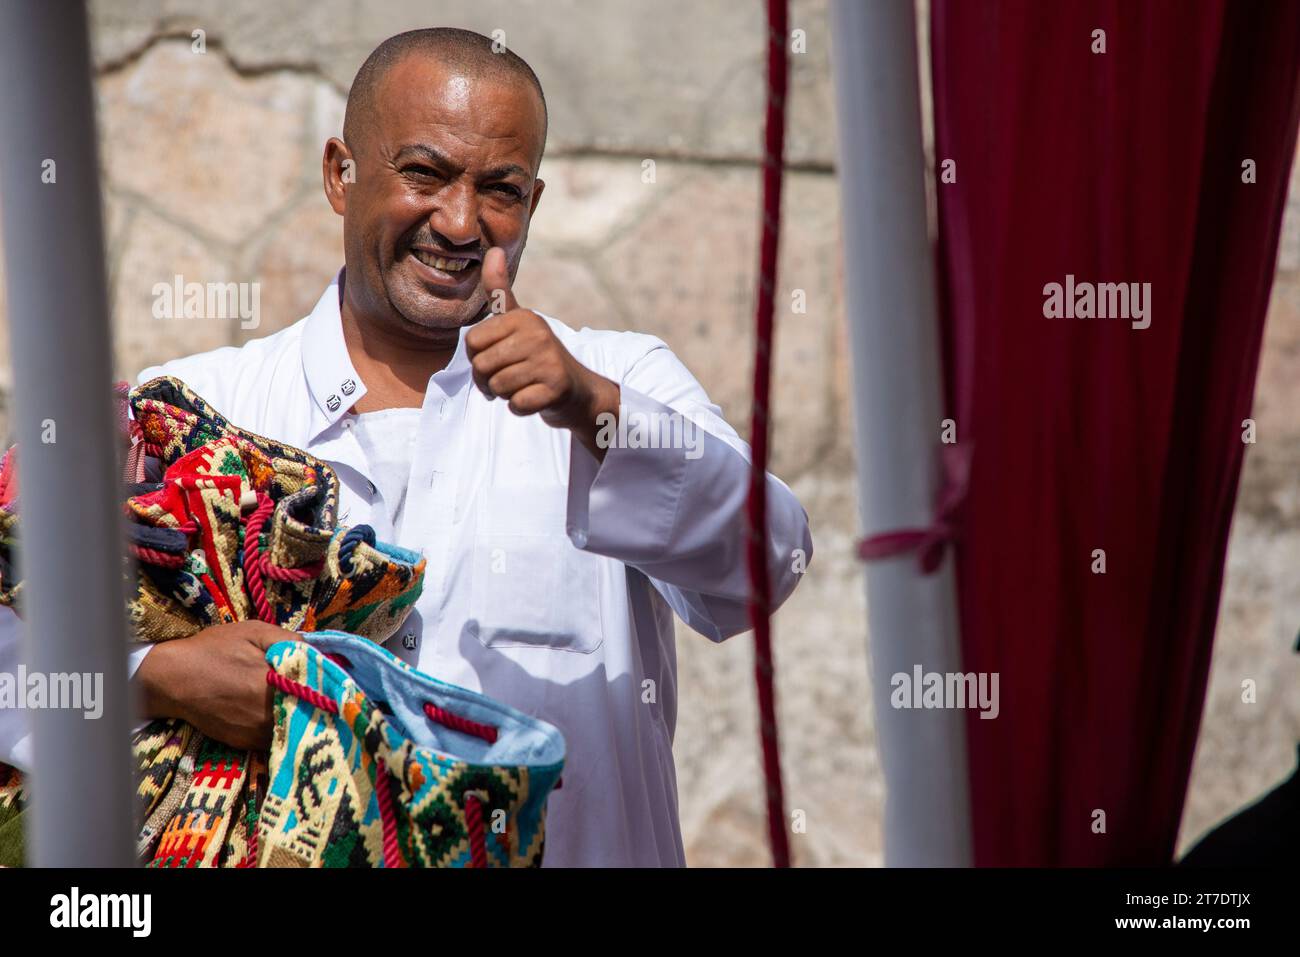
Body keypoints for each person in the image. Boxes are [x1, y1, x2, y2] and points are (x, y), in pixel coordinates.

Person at [0, 27, 812, 867]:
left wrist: (589, 409)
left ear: (532, 203)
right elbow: (14, 670)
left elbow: (767, 560)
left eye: (499, 190)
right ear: (338, 174)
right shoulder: (190, 409)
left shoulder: (616, 377)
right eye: (424, 173)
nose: (460, 222)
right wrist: (157, 677)